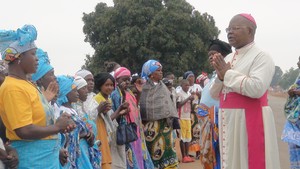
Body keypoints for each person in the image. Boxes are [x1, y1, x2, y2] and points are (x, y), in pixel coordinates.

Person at [210, 14, 280, 169]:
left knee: (249, 162)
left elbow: (257, 88)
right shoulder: (228, 57)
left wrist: (226, 74)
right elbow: (214, 94)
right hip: (228, 120)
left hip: (249, 119)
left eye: (235, 28)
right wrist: (221, 77)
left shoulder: (262, 56)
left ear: (250, 31)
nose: (229, 32)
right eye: (228, 29)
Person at [0, 25, 74, 168]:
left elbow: (40, 123)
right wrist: (57, 127)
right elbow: (24, 130)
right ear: (19, 57)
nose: (37, 59)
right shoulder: (13, 88)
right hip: (32, 161)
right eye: (33, 54)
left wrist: (60, 124)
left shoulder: (28, 85)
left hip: (45, 159)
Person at [111, 67, 154, 169]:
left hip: (135, 128)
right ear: (117, 80)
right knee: (131, 156)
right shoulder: (115, 94)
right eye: (123, 79)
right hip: (126, 131)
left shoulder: (129, 92)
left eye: (128, 79)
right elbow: (117, 112)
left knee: (140, 153)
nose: (126, 82)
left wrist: (139, 93)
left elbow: (135, 105)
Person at [198, 39, 232, 169]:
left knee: (222, 159)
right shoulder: (213, 77)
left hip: (220, 125)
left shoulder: (229, 75)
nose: (211, 57)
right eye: (209, 55)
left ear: (225, 56)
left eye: (214, 54)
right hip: (208, 127)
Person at [140, 60, 179, 169]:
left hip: (166, 125)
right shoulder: (144, 88)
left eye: (161, 70)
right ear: (150, 73)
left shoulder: (163, 86)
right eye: (158, 70)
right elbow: (142, 105)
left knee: (169, 149)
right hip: (151, 127)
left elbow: (169, 104)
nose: (161, 72)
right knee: (154, 151)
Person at [89, 72, 128, 169]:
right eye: (107, 85)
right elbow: (106, 120)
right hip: (102, 135)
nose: (110, 88)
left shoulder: (108, 98)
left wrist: (120, 109)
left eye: (111, 85)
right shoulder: (98, 99)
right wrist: (119, 110)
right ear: (100, 86)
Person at [281, 56, 300, 168]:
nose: (298, 63)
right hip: (296, 122)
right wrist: (292, 93)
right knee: (295, 151)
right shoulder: (298, 79)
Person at [176, 79, 195, 163]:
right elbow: (178, 105)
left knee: (188, 138)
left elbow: (190, 106)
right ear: (182, 85)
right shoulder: (179, 94)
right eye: (186, 85)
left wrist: (191, 99)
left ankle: (187, 155)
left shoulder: (189, 94)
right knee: (182, 138)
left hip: (188, 117)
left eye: (188, 85)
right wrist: (188, 98)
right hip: (181, 117)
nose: (187, 87)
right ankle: (184, 156)